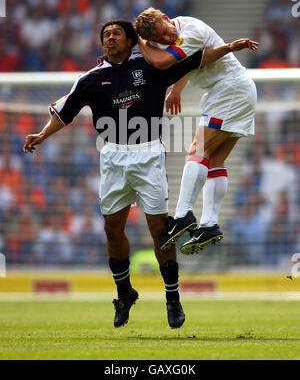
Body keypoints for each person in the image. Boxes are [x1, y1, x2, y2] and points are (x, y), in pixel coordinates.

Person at [23, 19, 255, 328]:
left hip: (148, 154)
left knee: (160, 230)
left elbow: (198, 58)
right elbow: (66, 111)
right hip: (113, 156)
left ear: (131, 40)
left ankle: (172, 299)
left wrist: (229, 47)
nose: (110, 38)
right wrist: (41, 134)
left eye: (116, 33)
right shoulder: (91, 79)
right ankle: (124, 293)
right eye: (105, 35)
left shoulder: (152, 67)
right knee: (112, 229)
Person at [134, 7, 258, 254]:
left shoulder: (191, 30)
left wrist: (139, 38)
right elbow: (190, 63)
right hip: (234, 90)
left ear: (168, 19)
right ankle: (210, 223)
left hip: (229, 89)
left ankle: (182, 215)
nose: (166, 40)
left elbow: (162, 62)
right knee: (215, 159)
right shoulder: (177, 35)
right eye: (158, 39)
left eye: (165, 33)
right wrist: (177, 89)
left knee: (196, 150)